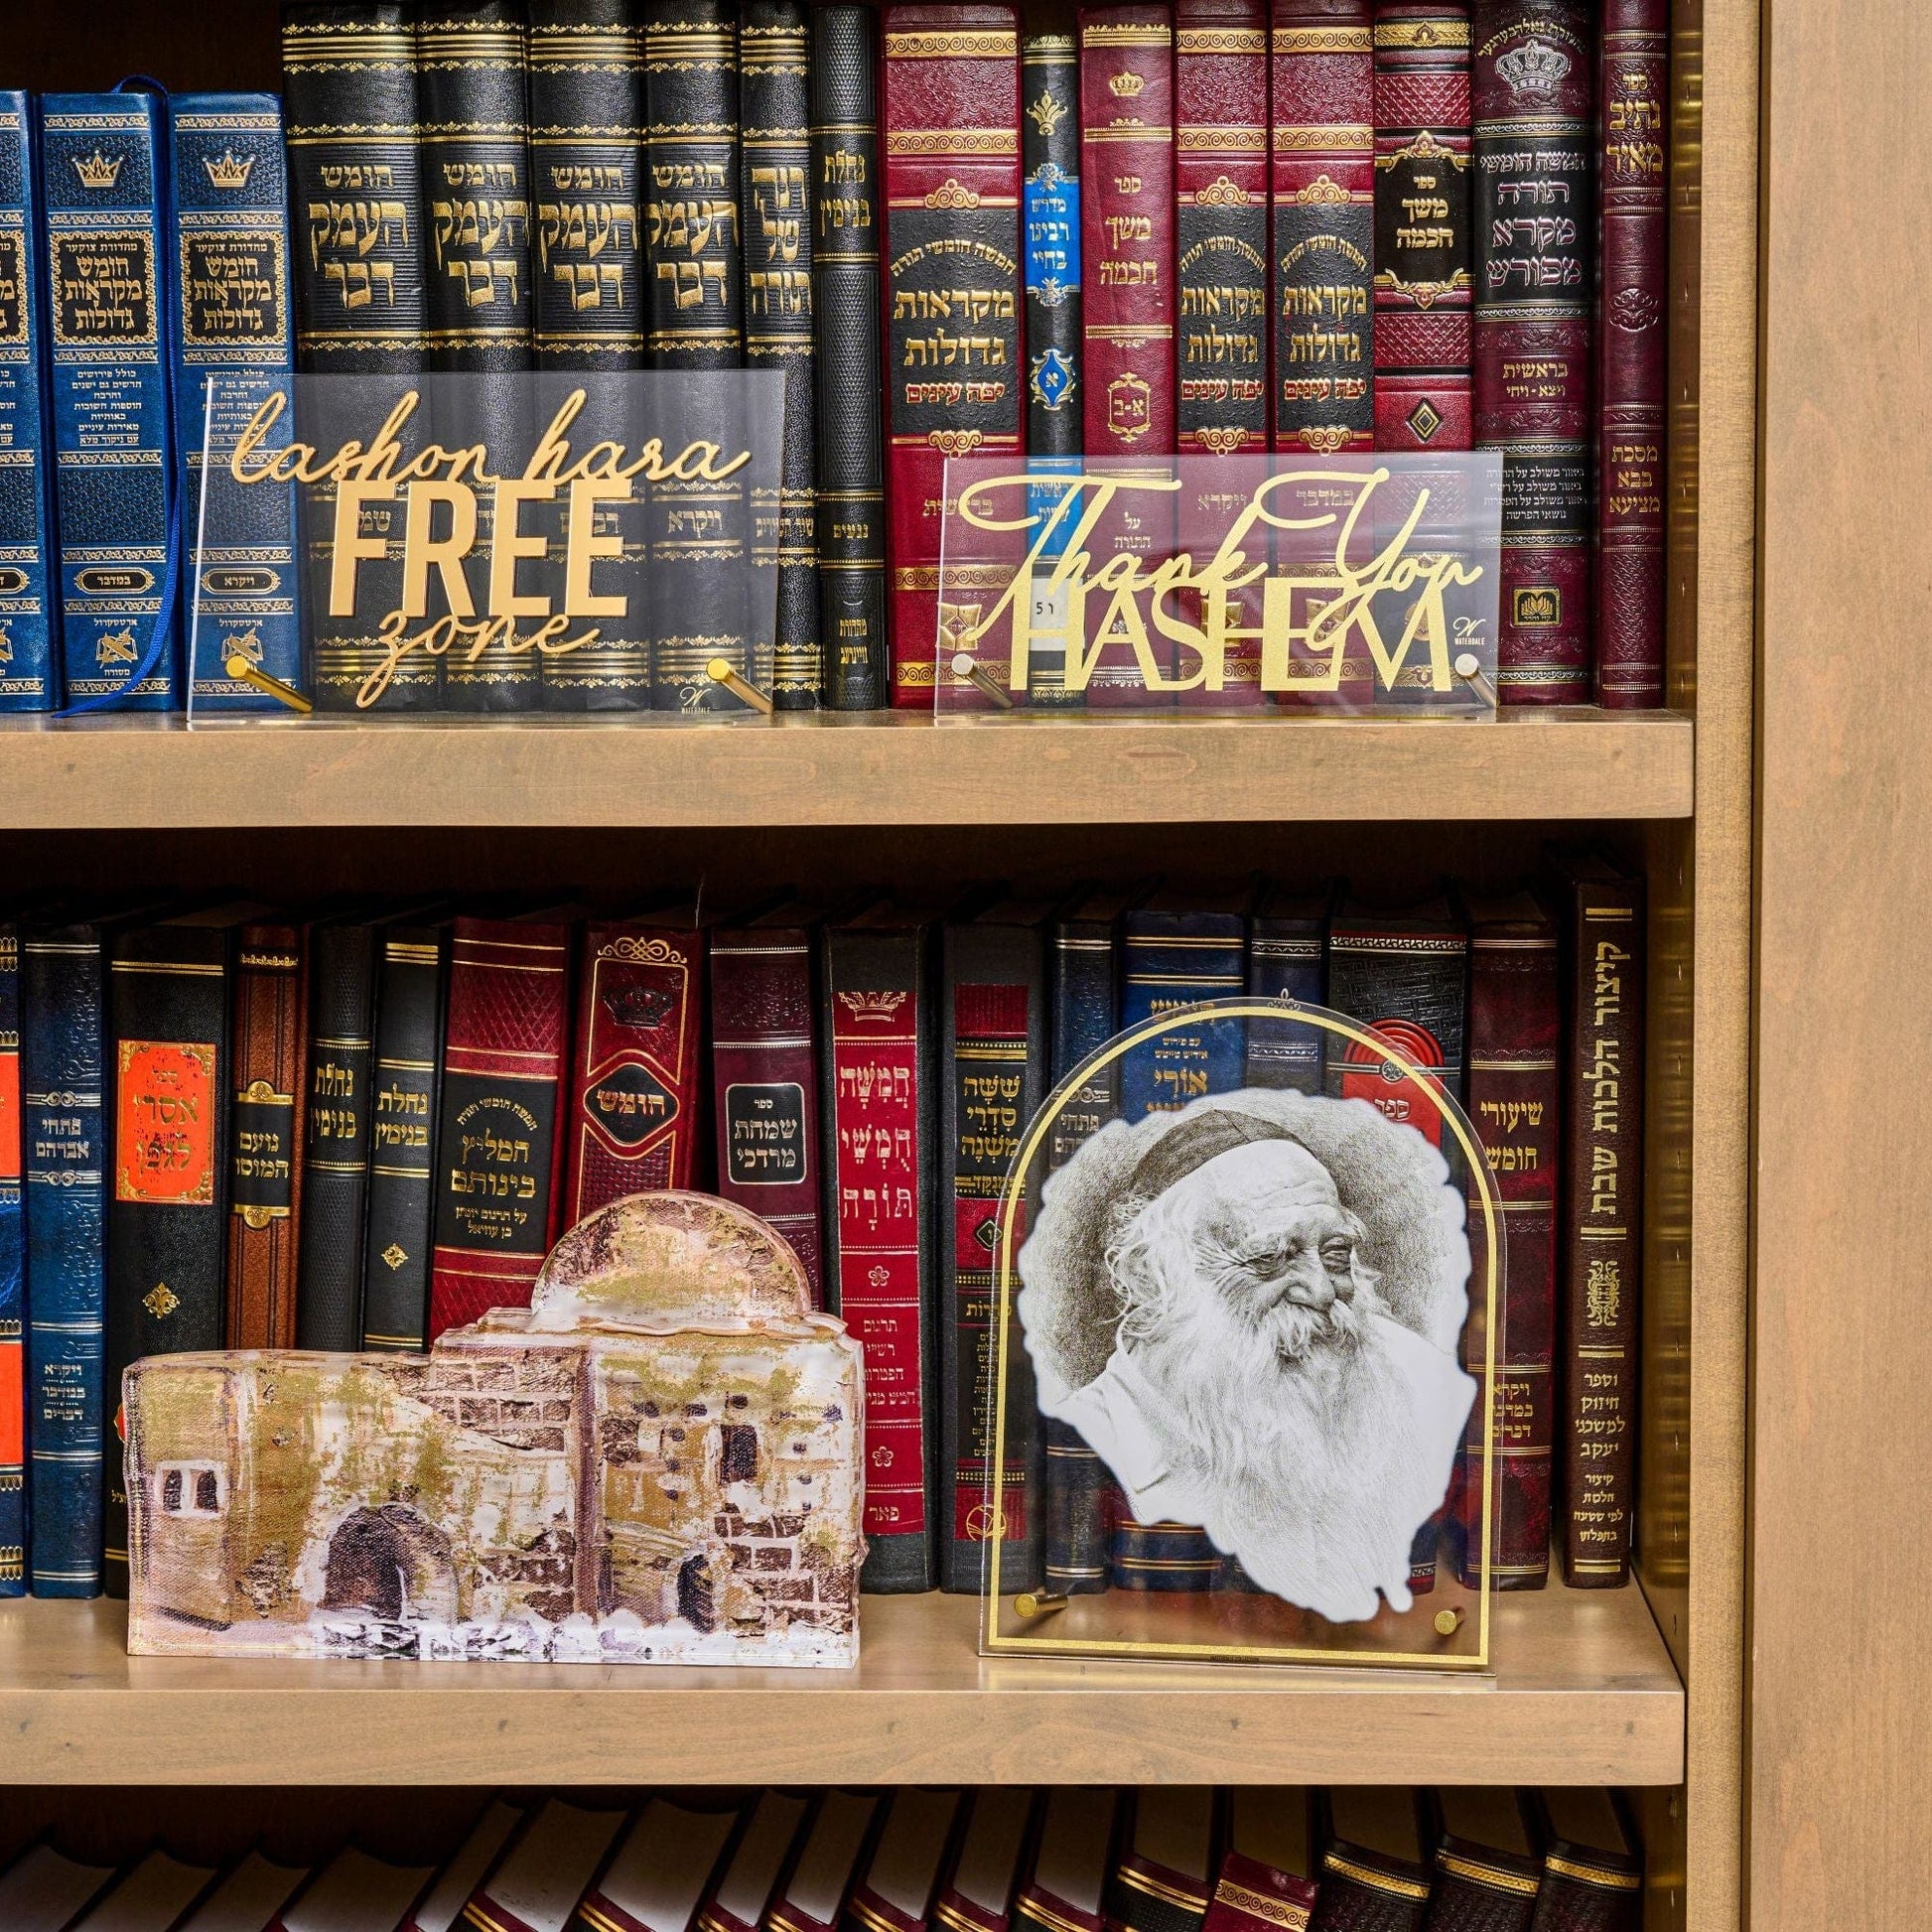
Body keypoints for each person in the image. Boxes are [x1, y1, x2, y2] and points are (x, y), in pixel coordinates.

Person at [1042, 1108, 1474, 1622]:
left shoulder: (1418, 1375)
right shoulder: (1090, 1432)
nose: (1320, 1290)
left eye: (1335, 1253)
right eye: (1270, 1260)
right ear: (1150, 1276)